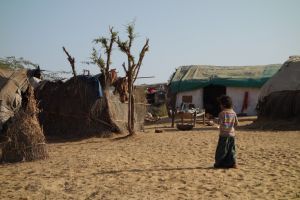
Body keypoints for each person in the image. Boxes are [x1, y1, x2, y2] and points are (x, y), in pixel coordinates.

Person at [214, 95, 239, 169]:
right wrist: (231, 127)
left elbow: (219, 122)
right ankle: (233, 163)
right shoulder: (233, 113)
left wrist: (214, 121)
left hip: (223, 135)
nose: (220, 105)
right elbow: (237, 123)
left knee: (221, 150)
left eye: (220, 104)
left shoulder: (222, 113)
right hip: (232, 135)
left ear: (223, 105)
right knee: (231, 150)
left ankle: (218, 164)